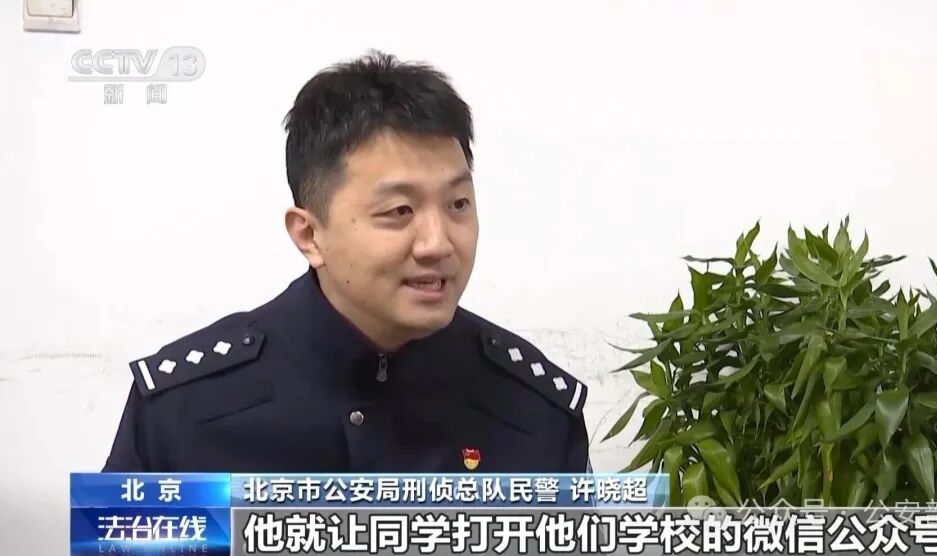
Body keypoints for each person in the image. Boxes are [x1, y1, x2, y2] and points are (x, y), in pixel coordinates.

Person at [102, 51, 591, 473]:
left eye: (458, 204)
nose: (438, 243)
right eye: (399, 211)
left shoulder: (536, 412)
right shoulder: (180, 410)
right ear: (309, 234)